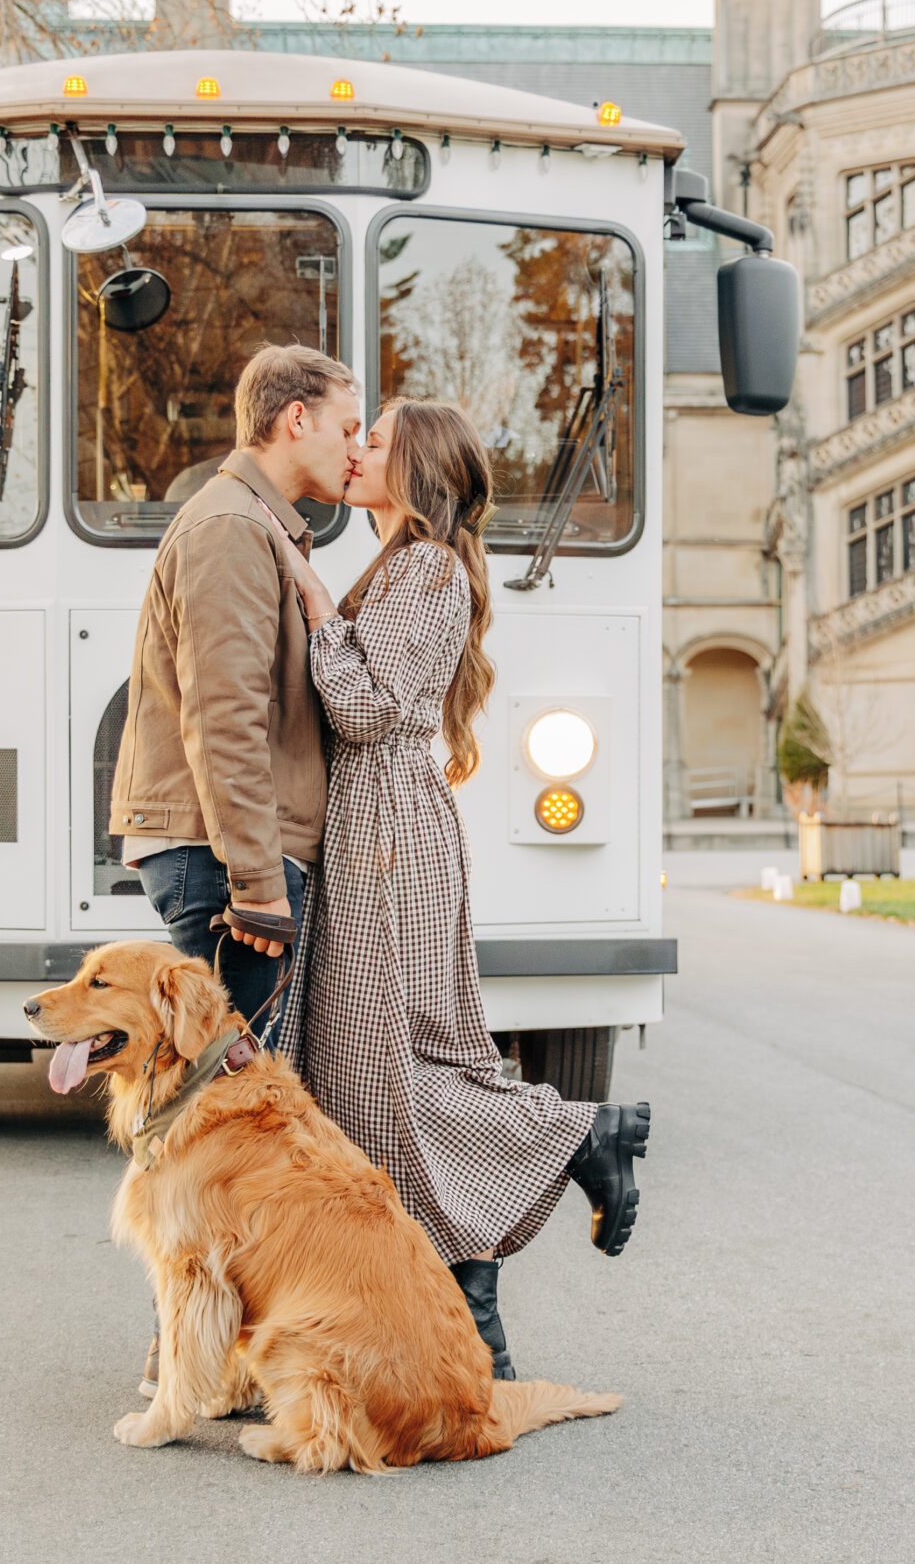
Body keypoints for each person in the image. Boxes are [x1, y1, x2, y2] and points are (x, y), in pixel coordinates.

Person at [262, 397, 650, 1382]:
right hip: (384, 834)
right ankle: (476, 1325)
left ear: (418, 469)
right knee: (399, 1069)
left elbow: (366, 708)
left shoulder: (426, 566)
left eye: (376, 443)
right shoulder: (405, 564)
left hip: (386, 842)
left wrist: (314, 611)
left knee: (386, 1076)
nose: (356, 452)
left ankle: (576, 1135)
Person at [107, 343, 363, 1401]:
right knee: (209, 1131)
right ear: (293, 418)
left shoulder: (258, 525)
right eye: (348, 425)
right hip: (225, 863)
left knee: (218, 1125)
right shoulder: (224, 528)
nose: (357, 447)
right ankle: (181, 1362)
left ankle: (196, 1355)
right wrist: (258, 879)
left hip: (231, 854)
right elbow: (224, 717)